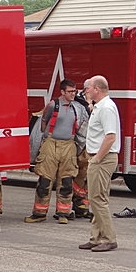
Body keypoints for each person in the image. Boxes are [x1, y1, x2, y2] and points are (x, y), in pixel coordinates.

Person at [25, 79, 88, 224]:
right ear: (62, 92)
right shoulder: (53, 105)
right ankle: (39, 212)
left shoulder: (77, 108)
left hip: (69, 145)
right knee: (45, 180)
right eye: (70, 91)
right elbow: (43, 124)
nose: (73, 94)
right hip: (51, 144)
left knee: (66, 181)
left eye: (75, 91)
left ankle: (63, 213)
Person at [79, 75, 121, 252]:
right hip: (98, 156)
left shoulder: (106, 108)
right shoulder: (99, 106)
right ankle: (96, 237)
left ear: (97, 89)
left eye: (88, 88)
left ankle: (109, 238)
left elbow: (110, 137)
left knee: (98, 198)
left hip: (102, 157)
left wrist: (97, 158)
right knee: (95, 198)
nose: (85, 91)